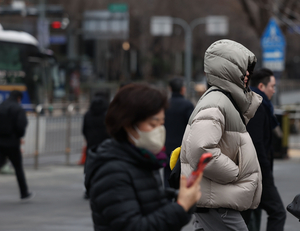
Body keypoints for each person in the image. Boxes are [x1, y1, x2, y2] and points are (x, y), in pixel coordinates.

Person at [85, 83, 202, 231]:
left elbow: (149, 202)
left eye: (162, 123)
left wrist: (183, 199)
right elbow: (134, 226)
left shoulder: (144, 159)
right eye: (153, 125)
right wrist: (181, 207)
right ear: (128, 125)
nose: (159, 130)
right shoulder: (112, 171)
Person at [180, 39, 263, 231]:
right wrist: (234, 173)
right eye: (243, 68)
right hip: (217, 202)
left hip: (215, 199)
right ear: (228, 69)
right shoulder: (217, 101)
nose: (248, 74)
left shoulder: (221, 100)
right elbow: (201, 150)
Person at [242, 68, 286, 231]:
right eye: (272, 86)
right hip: (258, 172)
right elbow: (257, 142)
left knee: (245, 217)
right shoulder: (258, 106)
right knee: (278, 212)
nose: (274, 91)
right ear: (261, 86)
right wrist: (266, 171)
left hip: (251, 172)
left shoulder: (254, 103)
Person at [0, 90, 33, 201]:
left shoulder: (1, 106)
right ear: (19, 98)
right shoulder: (18, 109)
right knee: (18, 168)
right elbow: (21, 126)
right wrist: (18, 136)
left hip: (0, 142)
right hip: (13, 143)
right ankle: (24, 192)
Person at [164, 77, 194, 187]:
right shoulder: (187, 105)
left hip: (166, 147)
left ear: (170, 89)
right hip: (181, 148)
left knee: (167, 176)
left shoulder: (165, 105)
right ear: (183, 89)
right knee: (182, 178)